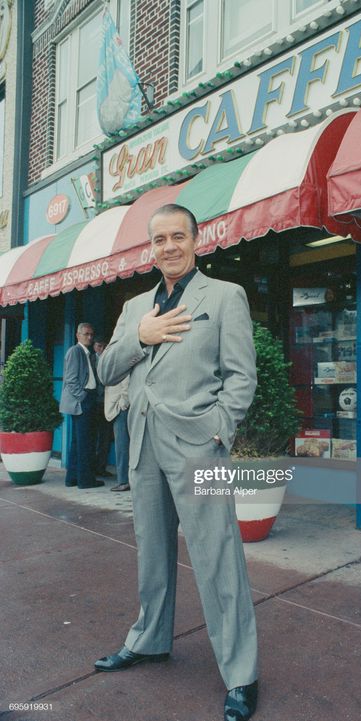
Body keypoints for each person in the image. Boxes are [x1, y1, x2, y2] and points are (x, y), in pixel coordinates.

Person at [95, 204, 259, 721]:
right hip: (142, 444)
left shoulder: (225, 297)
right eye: (160, 239)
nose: (169, 246)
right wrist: (138, 337)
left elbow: (241, 377)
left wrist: (218, 428)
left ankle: (241, 673)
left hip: (198, 445)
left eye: (178, 237)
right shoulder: (134, 306)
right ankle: (149, 639)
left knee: (218, 558)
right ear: (151, 247)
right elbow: (106, 370)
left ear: (196, 240)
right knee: (153, 553)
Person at [59, 323, 105, 490]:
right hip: (82, 400)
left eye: (91, 334)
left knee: (78, 442)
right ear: (78, 336)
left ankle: (72, 478)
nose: (90, 337)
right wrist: (83, 397)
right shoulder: (75, 351)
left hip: (88, 398)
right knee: (86, 442)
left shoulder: (88, 353)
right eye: (86, 334)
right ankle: (86, 481)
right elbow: (71, 379)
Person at [104, 376, 130, 492]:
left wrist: (122, 405)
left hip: (120, 409)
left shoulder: (120, 362)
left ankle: (123, 481)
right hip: (115, 408)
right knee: (122, 445)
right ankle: (124, 480)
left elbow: (127, 385)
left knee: (122, 445)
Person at [93, 337, 114, 478]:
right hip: (94, 403)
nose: (102, 349)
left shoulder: (109, 360)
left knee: (105, 437)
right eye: (99, 345)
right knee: (94, 438)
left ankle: (101, 467)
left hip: (106, 403)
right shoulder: (90, 359)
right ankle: (93, 468)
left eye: (104, 346)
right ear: (94, 346)